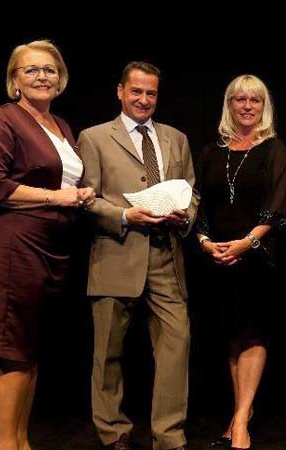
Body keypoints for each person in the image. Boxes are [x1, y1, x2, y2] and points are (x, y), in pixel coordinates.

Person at [0, 39, 95, 450]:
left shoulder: (60, 125)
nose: (42, 76)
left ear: (60, 79)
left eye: (50, 70)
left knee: (31, 347)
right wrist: (52, 197)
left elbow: (63, 181)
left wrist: (81, 193)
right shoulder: (2, 118)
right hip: (17, 241)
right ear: (14, 80)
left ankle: (22, 442)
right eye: (31, 70)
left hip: (54, 244)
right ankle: (8, 445)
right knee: (15, 348)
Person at [77, 61, 198, 450]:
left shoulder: (175, 138)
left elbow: (191, 191)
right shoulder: (94, 138)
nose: (144, 99)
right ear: (120, 91)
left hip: (167, 257)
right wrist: (124, 214)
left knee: (176, 348)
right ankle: (113, 433)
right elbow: (86, 200)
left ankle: (169, 436)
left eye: (151, 93)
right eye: (136, 92)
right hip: (116, 254)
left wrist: (187, 215)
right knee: (108, 353)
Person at [194, 74, 286, 450]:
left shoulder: (274, 149)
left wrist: (245, 244)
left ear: (264, 106)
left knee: (252, 335)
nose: (248, 106)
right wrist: (205, 242)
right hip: (217, 261)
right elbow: (197, 202)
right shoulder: (211, 151)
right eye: (240, 100)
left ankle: (238, 423)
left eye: (255, 100)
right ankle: (241, 414)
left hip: (257, 261)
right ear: (229, 105)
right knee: (231, 338)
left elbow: (279, 209)